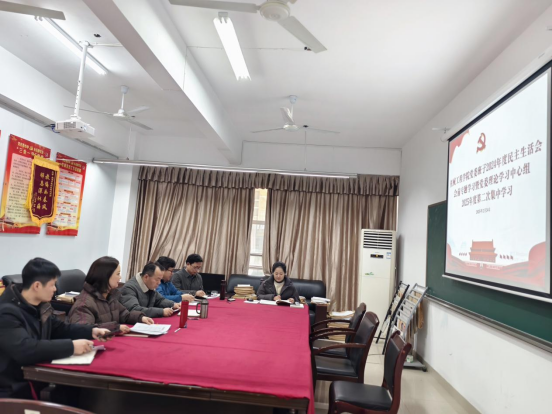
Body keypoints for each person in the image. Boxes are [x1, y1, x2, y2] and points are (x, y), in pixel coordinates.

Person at [0, 258, 111, 398]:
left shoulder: (41, 305)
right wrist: (71, 347)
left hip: (36, 377)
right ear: (37, 286)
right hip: (12, 389)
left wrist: (92, 331)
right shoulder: (7, 313)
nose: (55, 289)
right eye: (52, 285)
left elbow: (59, 329)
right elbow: (25, 349)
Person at [68, 257, 155, 333]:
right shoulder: (84, 304)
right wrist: (115, 327)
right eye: (118, 274)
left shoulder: (110, 296)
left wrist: (141, 318)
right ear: (106, 276)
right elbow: (84, 329)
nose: (120, 277)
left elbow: (125, 315)